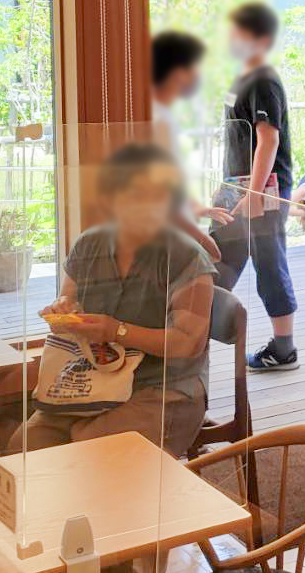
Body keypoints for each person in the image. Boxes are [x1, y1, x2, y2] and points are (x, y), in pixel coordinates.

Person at [11, 143, 214, 457]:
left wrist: (116, 331)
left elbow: (188, 343)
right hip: (95, 378)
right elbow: (68, 299)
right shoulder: (89, 245)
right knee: (26, 445)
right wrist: (64, 313)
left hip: (165, 387)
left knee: (92, 452)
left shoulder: (186, 256)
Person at [213, 1, 301, 372]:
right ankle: (190, 333)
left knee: (268, 263)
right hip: (236, 187)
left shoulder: (263, 79)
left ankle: (284, 349)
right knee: (216, 257)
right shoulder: (241, 77)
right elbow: (239, 137)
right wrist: (225, 189)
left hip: (262, 190)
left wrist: (254, 195)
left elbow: (268, 139)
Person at [150, 30, 229, 260]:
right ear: (178, 72)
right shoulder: (158, 120)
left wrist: (198, 208)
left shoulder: (161, 114)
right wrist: (201, 238)